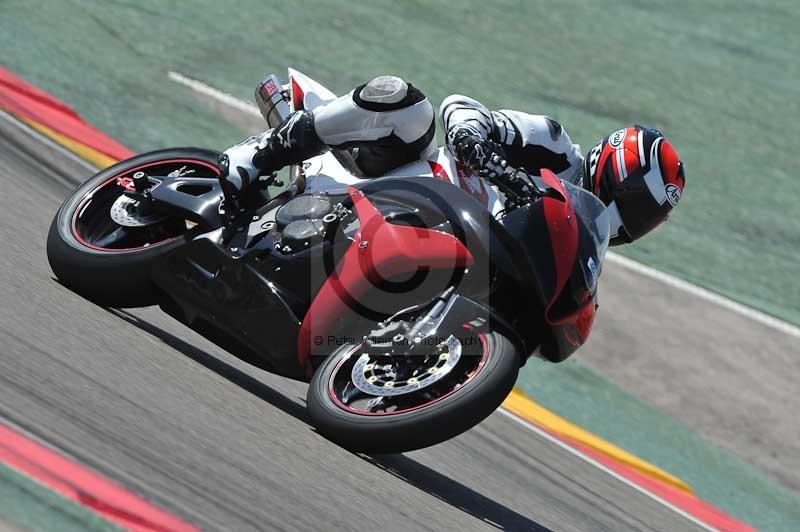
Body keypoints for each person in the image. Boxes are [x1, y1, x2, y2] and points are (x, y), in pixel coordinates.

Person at [221, 75, 685, 245]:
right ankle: (259, 152)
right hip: (410, 180)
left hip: (438, 247)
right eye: (637, 207)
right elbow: (461, 109)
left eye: (646, 220)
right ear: (617, 174)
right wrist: (491, 160)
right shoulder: (555, 147)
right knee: (408, 106)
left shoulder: (575, 242)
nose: (634, 223)